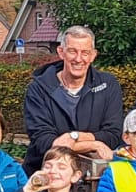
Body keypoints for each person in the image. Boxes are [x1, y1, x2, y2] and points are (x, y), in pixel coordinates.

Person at [23, 25, 124, 171]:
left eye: (85, 52)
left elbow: (113, 135)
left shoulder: (108, 85)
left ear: (93, 55)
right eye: (72, 51)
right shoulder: (39, 88)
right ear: (61, 52)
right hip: (47, 174)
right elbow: (43, 142)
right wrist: (93, 144)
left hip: (96, 175)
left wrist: (74, 137)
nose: (78, 59)